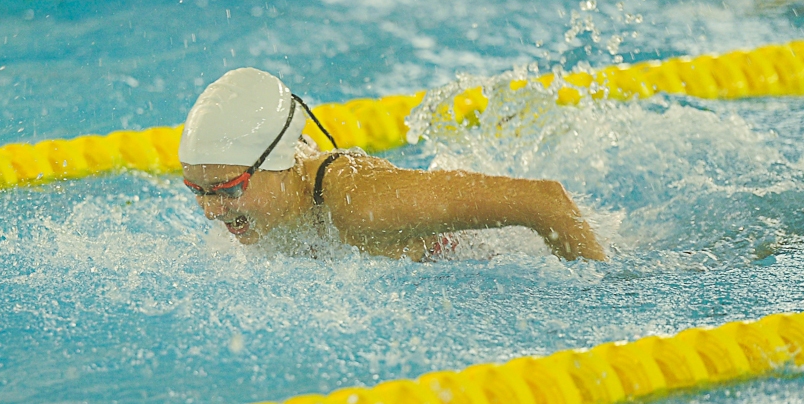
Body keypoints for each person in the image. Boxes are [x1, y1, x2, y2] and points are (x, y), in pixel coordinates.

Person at [178, 67, 606, 262]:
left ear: (278, 162)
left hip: (504, 259)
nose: (212, 211)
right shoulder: (272, 195)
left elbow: (545, 202)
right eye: (197, 192)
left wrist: (604, 294)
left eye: (227, 188)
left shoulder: (361, 205)